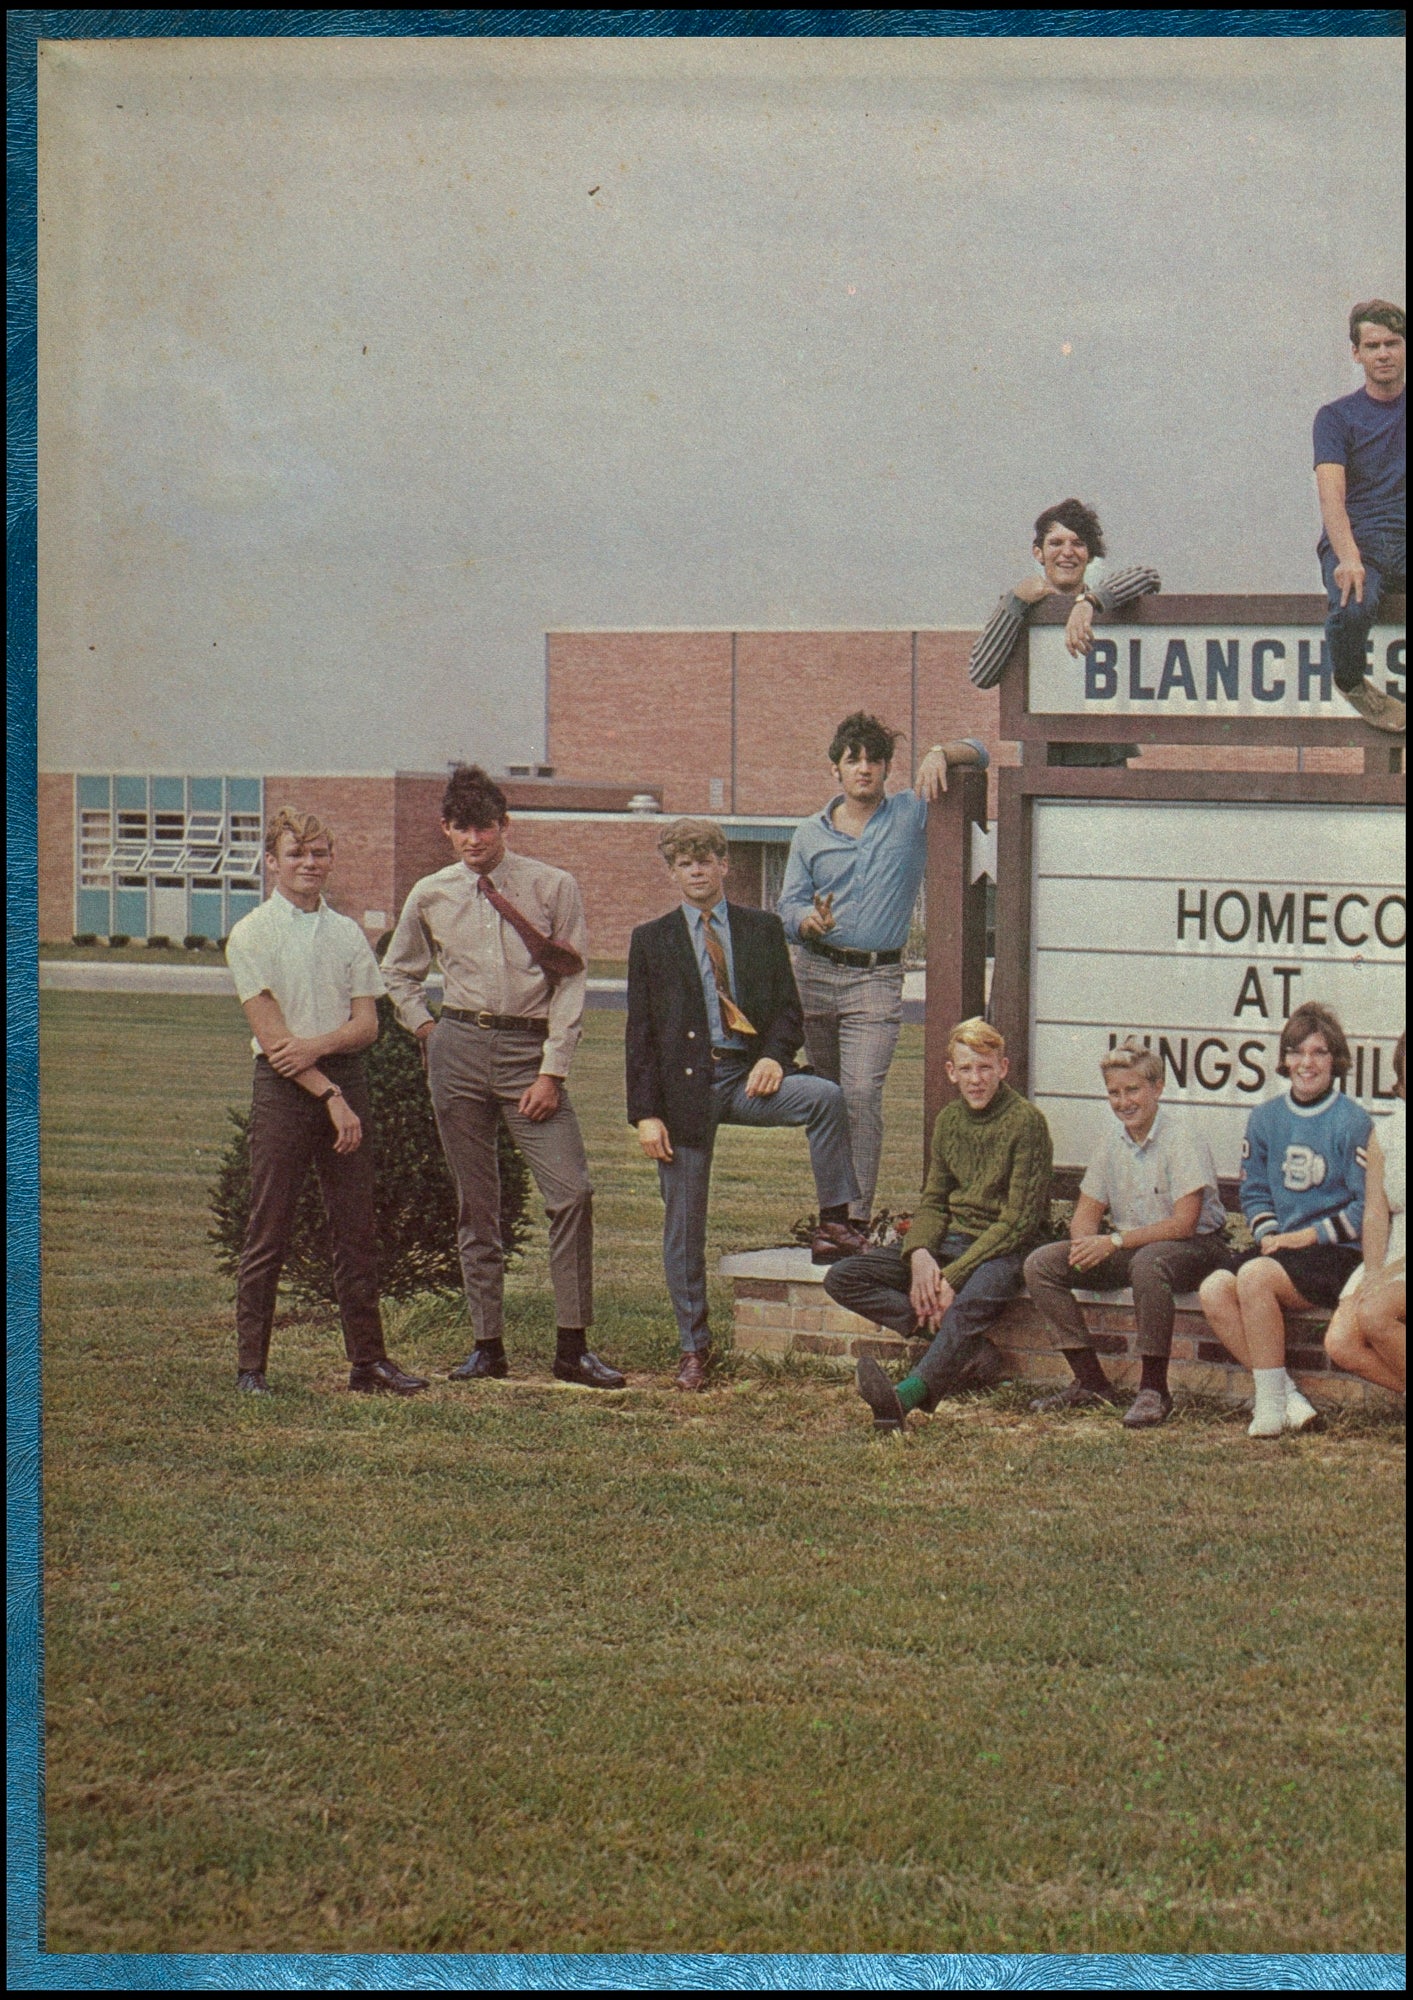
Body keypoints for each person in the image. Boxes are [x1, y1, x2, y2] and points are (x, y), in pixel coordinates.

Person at [383, 763, 624, 1390]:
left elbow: (572, 980)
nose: (473, 841)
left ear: (504, 825)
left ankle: (572, 1347)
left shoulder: (551, 886)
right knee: (477, 1206)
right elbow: (398, 972)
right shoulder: (430, 893)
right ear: (446, 830)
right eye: (460, 829)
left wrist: (553, 1069)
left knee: (571, 1192)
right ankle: (486, 1346)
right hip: (458, 1048)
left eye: (484, 828)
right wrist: (426, 1031)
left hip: (527, 1052)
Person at [627, 817, 865, 1391]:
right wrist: (645, 1114)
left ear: (725, 865)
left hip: (745, 1076)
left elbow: (788, 1011)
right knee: (684, 1225)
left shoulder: (760, 930)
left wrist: (776, 1058)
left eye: (706, 860)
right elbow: (640, 1036)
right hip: (684, 1093)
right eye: (685, 863)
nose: (698, 871)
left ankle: (834, 1223)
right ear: (673, 872)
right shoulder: (652, 939)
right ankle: (694, 1347)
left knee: (825, 1096)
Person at [223, 808, 428, 1397]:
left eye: (320, 853)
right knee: (269, 1228)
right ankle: (251, 1369)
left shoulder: (344, 932)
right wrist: (330, 1092)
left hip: (342, 1080)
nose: (310, 865)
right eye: (297, 854)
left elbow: (367, 1025)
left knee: (355, 1229)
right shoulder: (252, 934)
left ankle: (369, 1363)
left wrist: (321, 1053)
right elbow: (273, 1041)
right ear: (271, 862)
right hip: (287, 1092)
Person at [775, 712, 988, 1230]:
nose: (864, 769)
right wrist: (809, 922)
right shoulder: (809, 834)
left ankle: (855, 1218)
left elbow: (980, 751)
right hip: (815, 976)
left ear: (887, 769)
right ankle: (832, 1216)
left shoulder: (912, 815)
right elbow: (788, 905)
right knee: (826, 1102)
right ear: (836, 771)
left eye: (874, 760)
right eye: (854, 760)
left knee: (862, 1095)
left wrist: (940, 750)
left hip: (875, 980)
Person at [825, 1018, 1053, 1432]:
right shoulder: (949, 1121)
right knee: (844, 1276)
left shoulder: (1026, 1123)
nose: (976, 1079)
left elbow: (1019, 1220)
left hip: (1004, 1248)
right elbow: (933, 1201)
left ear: (1003, 1068)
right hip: (951, 1239)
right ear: (951, 1073)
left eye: (985, 1068)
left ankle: (905, 1397)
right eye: (966, 1069)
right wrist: (921, 1256)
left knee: (970, 1301)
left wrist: (951, 1277)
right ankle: (965, 1351)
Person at [1022, 1039, 1233, 1427]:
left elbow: (1184, 1223)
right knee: (1042, 1264)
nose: (1123, 1102)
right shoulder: (1111, 1141)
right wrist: (1086, 1244)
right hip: (1137, 1247)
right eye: (1114, 1093)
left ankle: (1154, 1389)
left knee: (1149, 1263)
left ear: (1157, 1088)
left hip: (1195, 1247)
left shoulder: (1181, 1137)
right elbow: (1086, 1212)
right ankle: (1089, 1380)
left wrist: (1114, 1241)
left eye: (1132, 1090)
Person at [1199, 1003, 1372, 1437]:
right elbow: (1254, 1188)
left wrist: (1304, 1237)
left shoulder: (1353, 1121)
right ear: (1284, 1059)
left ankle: (1270, 1407)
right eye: (1296, 1052)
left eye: (1318, 1052)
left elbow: (1365, 1207)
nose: (1306, 1063)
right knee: (1215, 1288)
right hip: (1281, 1249)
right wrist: (1272, 1234)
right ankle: (1288, 1397)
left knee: (1255, 1276)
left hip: (1333, 1252)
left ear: (1336, 1060)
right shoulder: (1265, 1117)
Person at [966, 497, 1162, 766]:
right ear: (1038, 552)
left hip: (1106, 760)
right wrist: (1015, 601)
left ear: (1089, 554)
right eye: (1056, 543)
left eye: (1078, 543)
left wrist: (1088, 602)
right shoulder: (1020, 606)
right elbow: (980, 674)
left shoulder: (1106, 600)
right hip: (1044, 759)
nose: (1067, 552)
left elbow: (1148, 577)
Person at [1313, 299, 1406, 734]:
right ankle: (1352, 682)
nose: (1383, 353)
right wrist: (1348, 556)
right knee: (1352, 607)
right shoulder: (1335, 417)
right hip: (1359, 541)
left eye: (1392, 343)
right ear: (1357, 353)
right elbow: (1332, 497)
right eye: (1373, 345)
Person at [1325, 1031, 1405, 1393]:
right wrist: (1374, 1272)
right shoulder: (1387, 1134)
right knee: (1341, 1342)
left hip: (1402, 1263)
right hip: (1392, 1249)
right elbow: (1375, 1213)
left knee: (1375, 1314)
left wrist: (1390, 1274)